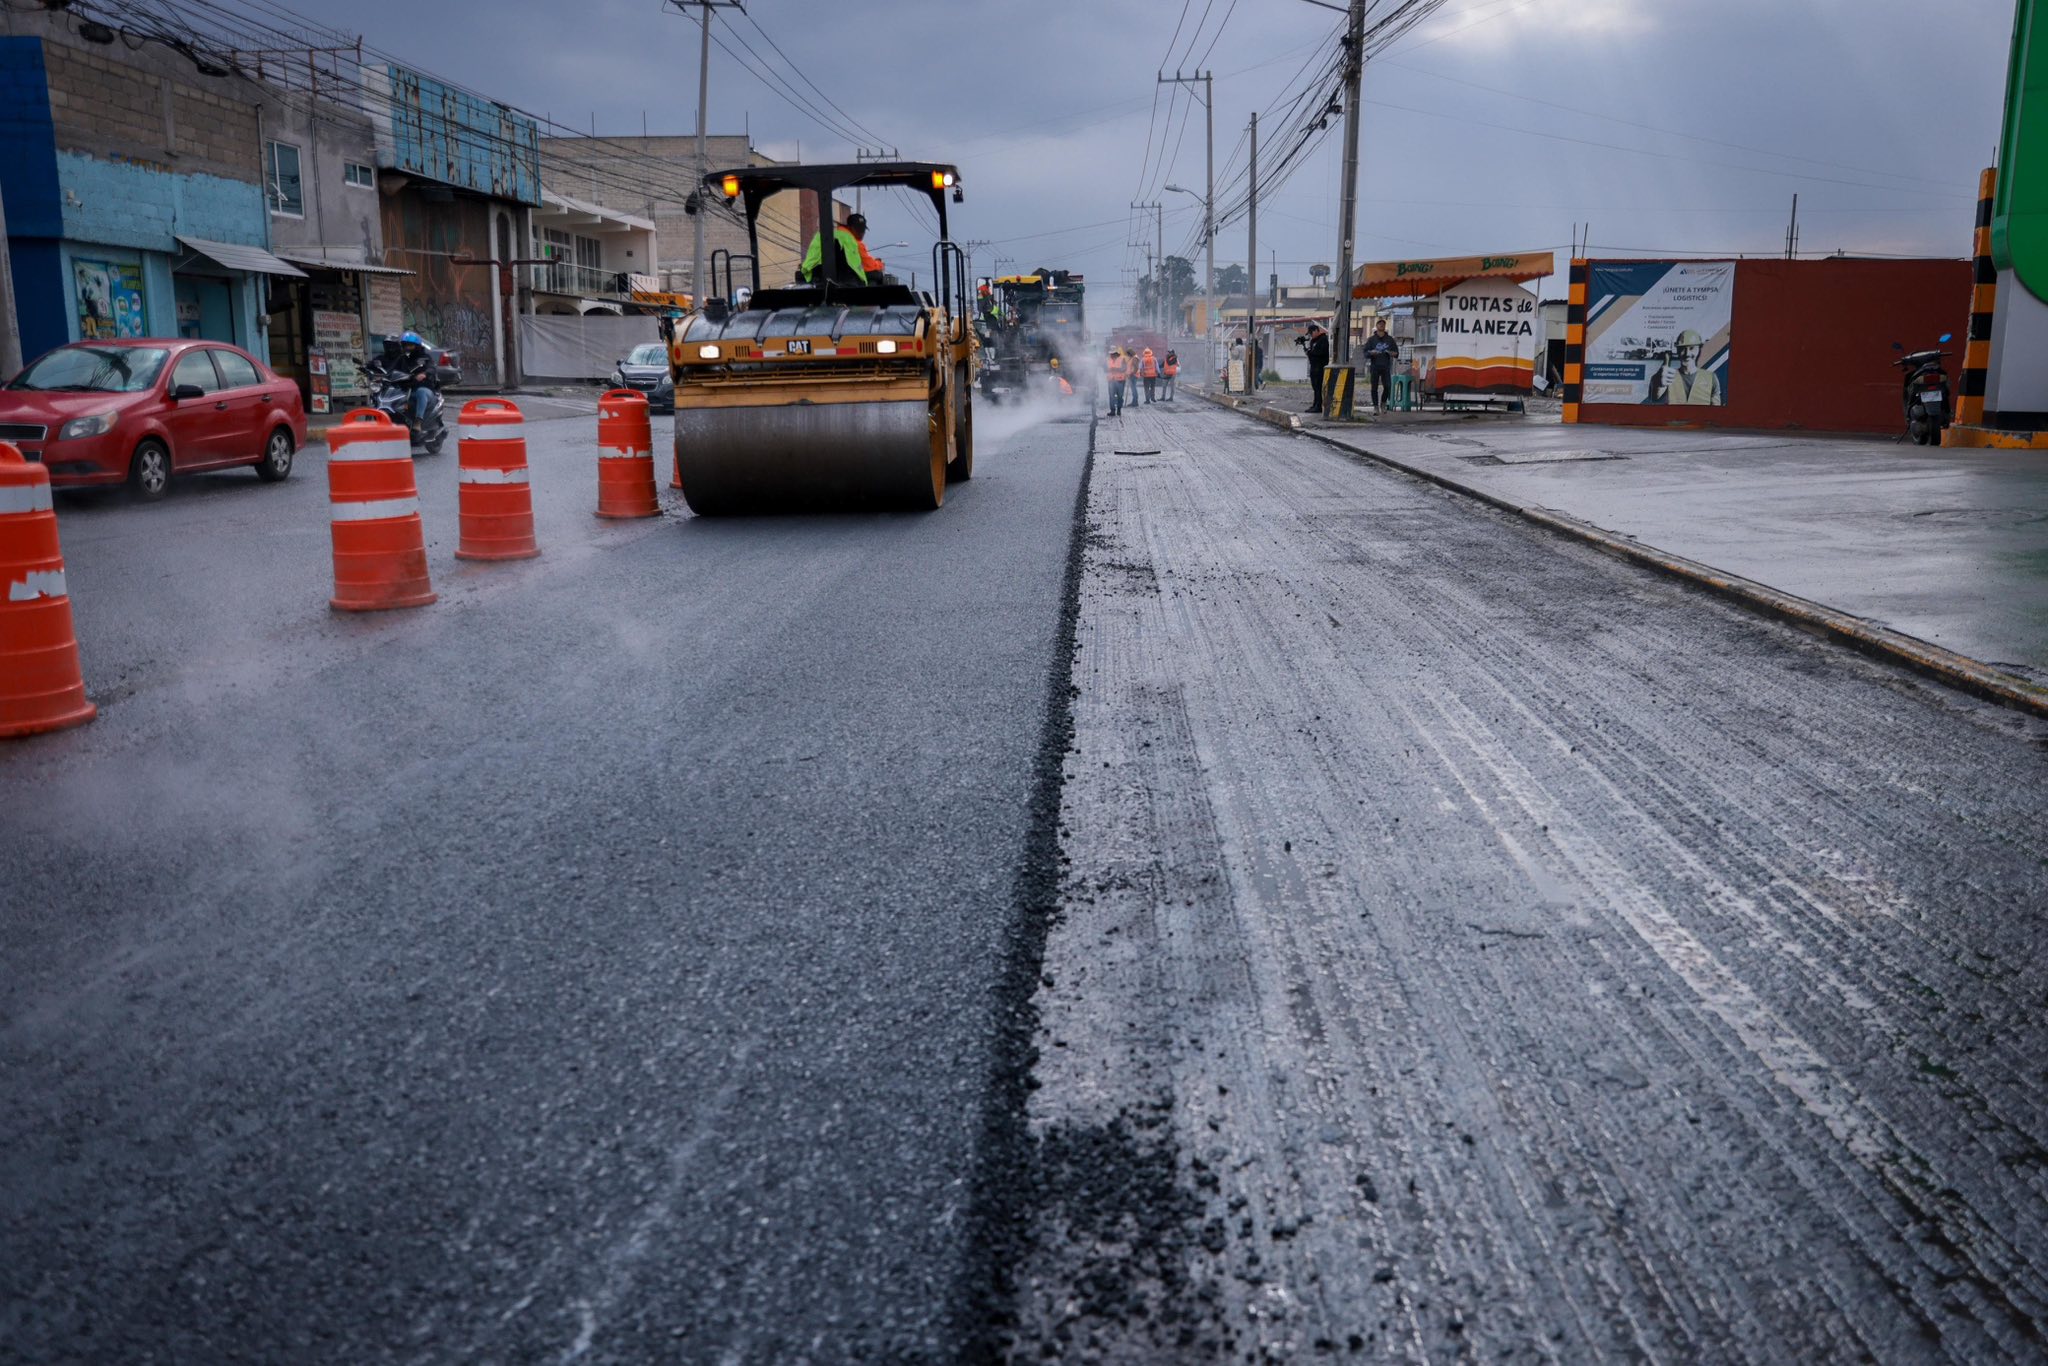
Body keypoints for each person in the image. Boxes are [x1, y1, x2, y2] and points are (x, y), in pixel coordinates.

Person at [798, 212, 879, 284]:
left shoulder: (821, 235)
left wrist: (804, 269)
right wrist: (880, 264)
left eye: (863, 230)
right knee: (876, 276)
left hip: (815, 277)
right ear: (850, 228)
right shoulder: (850, 240)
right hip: (844, 282)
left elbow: (811, 259)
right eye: (859, 229)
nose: (862, 233)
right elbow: (868, 266)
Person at [1646, 329, 1721, 406]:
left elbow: (1716, 409)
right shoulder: (1667, 377)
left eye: (1691, 348)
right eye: (1682, 348)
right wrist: (1659, 385)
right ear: (1677, 350)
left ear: (1698, 349)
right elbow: (1655, 398)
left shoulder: (1711, 378)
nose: (1687, 353)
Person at [394, 331, 439, 433]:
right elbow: (392, 369)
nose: (408, 348)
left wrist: (425, 374)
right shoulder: (402, 359)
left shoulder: (425, 358)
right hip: (407, 389)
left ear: (417, 346)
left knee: (421, 392)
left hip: (424, 389)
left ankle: (418, 421)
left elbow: (432, 368)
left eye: (410, 345)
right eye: (405, 345)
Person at [1360, 318, 1400, 413]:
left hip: (1386, 366)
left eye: (1383, 324)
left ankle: (1383, 403)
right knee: (1374, 387)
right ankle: (1375, 407)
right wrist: (1371, 353)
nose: (1381, 325)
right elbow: (1365, 353)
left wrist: (1391, 353)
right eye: (1379, 324)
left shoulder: (1390, 340)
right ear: (1376, 326)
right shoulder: (1371, 340)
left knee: (1387, 386)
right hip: (1375, 366)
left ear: (1385, 326)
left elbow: (1396, 353)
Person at [1299, 322, 1331, 413]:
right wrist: (1305, 348)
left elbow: (1320, 353)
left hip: (1320, 367)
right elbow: (1311, 354)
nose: (1311, 335)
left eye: (1311, 333)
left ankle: (1318, 406)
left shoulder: (1323, 340)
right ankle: (1315, 404)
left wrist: (1310, 353)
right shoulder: (1313, 341)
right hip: (1313, 366)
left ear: (1317, 331)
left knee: (1318, 387)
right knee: (1315, 387)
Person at [1106, 346, 1127, 416]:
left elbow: (1124, 368)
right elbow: (1106, 369)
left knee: (1120, 396)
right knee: (1111, 396)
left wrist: (1116, 369)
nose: (1111, 355)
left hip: (1120, 380)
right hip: (1111, 380)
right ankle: (1112, 410)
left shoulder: (1122, 359)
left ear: (1116, 353)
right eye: (1111, 354)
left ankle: (1119, 409)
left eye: (1113, 353)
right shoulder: (1109, 360)